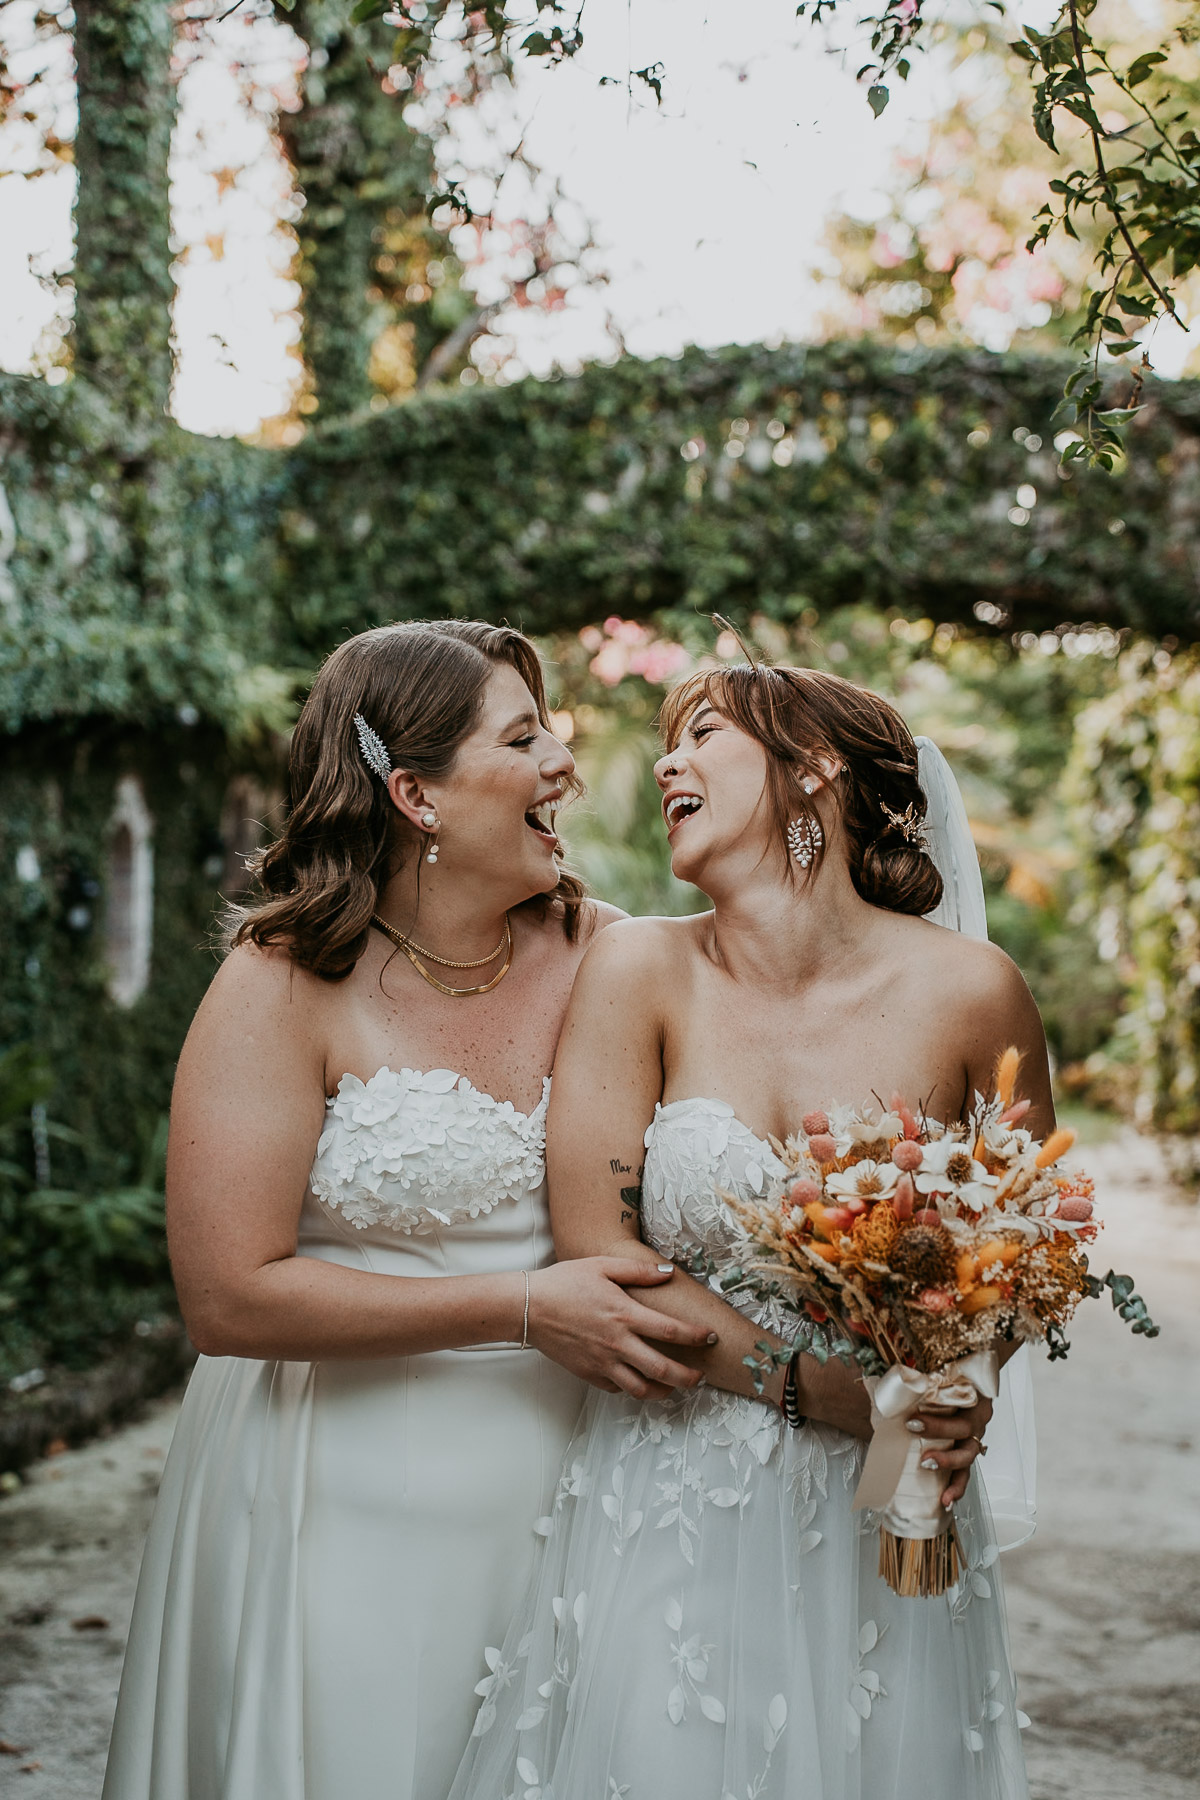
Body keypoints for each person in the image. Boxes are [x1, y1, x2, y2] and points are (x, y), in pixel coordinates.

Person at [102, 620, 715, 1800]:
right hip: (336, 1487)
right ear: (415, 793)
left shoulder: (614, 957)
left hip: (577, 1480)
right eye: (526, 738)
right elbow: (228, 1296)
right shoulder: (281, 984)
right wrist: (528, 1307)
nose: (564, 767)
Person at [450, 660, 1041, 1800]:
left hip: (893, 1498)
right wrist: (817, 1390)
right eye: (668, 740)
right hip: (672, 1496)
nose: (667, 760)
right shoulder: (640, 968)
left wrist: (941, 1391)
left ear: (813, 770)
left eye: (703, 732)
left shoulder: (977, 994)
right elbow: (598, 1252)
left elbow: (1020, 1262)